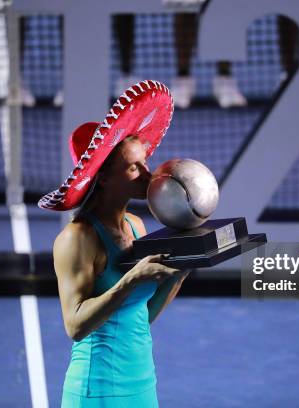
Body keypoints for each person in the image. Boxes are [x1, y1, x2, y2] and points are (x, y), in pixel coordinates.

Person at [39, 80, 189, 407]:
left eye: (145, 163)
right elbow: (75, 326)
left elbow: (141, 314)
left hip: (142, 383)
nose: (149, 175)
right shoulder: (76, 239)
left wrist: (182, 269)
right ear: (103, 178)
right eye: (134, 167)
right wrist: (131, 279)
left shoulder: (135, 226)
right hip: (98, 389)